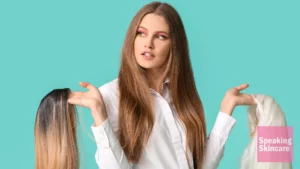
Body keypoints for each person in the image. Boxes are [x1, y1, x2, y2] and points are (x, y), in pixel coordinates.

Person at [67, 2, 256, 169]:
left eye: (161, 36)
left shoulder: (181, 95)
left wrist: (226, 109)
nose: (148, 44)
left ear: (175, 45)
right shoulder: (111, 95)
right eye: (141, 33)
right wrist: (99, 115)